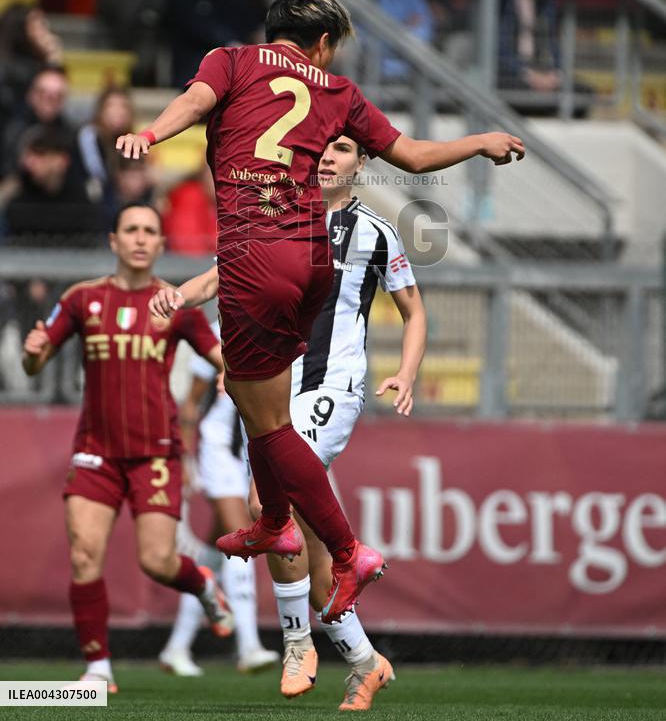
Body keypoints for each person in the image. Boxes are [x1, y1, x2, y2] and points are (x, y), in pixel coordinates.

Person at [115, 0, 524, 628]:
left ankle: (346, 551)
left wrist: (151, 134)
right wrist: (480, 140)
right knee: (262, 411)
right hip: (312, 258)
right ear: (324, 44)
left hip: (254, 253)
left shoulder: (233, 59)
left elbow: (194, 101)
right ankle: (275, 525)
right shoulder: (338, 90)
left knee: (265, 421)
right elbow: (414, 157)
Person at [149, 134, 427, 709]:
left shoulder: (375, 231)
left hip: (334, 386)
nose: (328, 157)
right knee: (313, 550)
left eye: (344, 148)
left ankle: (298, 643)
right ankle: (364, 661)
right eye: (322, 147)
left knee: (262, 503)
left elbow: (413, 310)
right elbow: (221, 275)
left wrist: (407, 370)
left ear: (362, 161)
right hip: (277, 386)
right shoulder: (274, 219)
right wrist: (180, 296)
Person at [21, 203, 234, 692]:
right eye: (131, 230)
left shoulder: (173, 303)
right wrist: (32, 355)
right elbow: (37, 360)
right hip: (95, 450)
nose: (140, 239)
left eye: (150, 232)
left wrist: (229, 372)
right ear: (114, 241)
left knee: (157, 561)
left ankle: (201, 583)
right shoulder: (81, 298)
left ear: (161, 245)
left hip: (155, 452)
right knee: (83, 556)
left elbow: (218, 354)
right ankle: (98, 668)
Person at [158, 341, 280, 676]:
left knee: (214, 552)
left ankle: (177, 647)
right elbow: (192, 404)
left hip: (253, 450)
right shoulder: (215, 333)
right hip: (219, 448)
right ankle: (249, 646)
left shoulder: (277, 322)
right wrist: (184, 459)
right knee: (242, 535)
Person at [498, 0, 593, 117]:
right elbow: (500, 50)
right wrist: (528, 74)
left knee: (584, 92)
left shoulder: (546, 2)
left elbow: (553, 45)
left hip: (543, 71)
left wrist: (557, 74)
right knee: (518, 91)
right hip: (511, 73)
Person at [2, 125, 104, 245]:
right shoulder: (18, 195)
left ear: (63, 160)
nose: (30, 162)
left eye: (41, 154)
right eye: (30, 155)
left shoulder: (82, 200)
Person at [1, 65, 75, 178]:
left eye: (58, 96)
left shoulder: (70, 134)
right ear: (31, 95)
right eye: (44, 94)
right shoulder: (11, 130)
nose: (50, 101)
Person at [77, 87, 135, 225]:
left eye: (123, 106)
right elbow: (97, 174)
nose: (118, 112)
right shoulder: (88, 136)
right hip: (88, 212)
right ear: (100, 110)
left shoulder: (132, 140)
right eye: (111, 106)